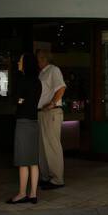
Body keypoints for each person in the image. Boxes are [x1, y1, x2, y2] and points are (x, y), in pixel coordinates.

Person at [8, 49, 44, 205]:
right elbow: (27, 100)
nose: (18, 62)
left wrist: (19, 100)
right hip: (34, 122)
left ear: (26, 63)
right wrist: (22, 100)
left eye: (21, 60)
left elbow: (18, 100)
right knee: (33, 161)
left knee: (23, 160)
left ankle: (22, 194)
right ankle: (33, 194)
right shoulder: (38, 82)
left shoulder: (22, 81)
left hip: (23, 122)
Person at [34, 43, 67, 190]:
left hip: (50, 113)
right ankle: (46, 176)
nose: (37, 60)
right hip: (41, 113)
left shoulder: (54, 70)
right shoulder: (41, 73)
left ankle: (57, 179)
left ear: (44, 58)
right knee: (42, 147)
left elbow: (61, 88)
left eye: (38, 57)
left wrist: (52, 104)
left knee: (52, 146)